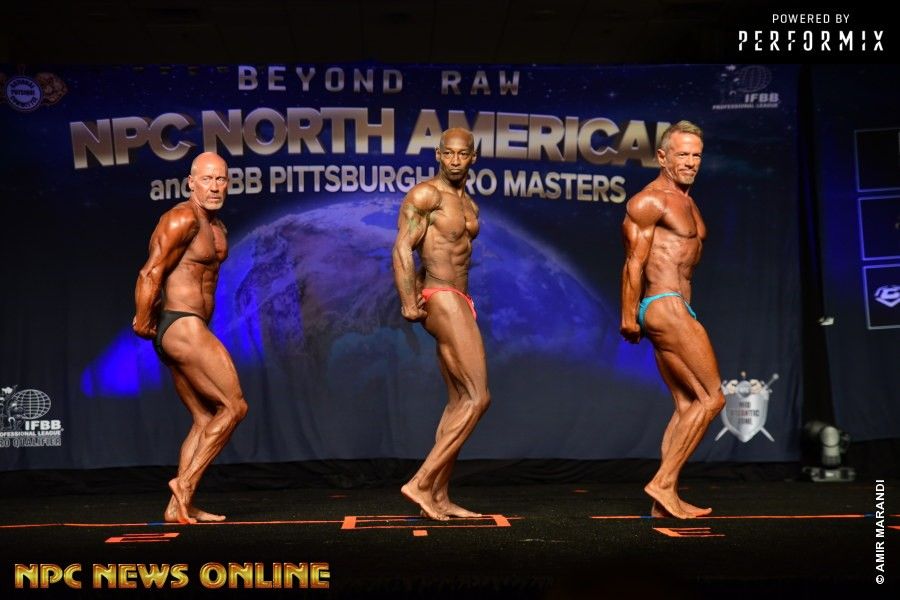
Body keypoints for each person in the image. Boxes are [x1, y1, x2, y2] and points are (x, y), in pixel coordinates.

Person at [133, 152, 248, 524]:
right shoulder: (181, 218)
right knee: (234, 407)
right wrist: (143, 318)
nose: (215, 187)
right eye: (207, 179)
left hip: (191, 326)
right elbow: (151, 271)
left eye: (221, 179)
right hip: (181, 323)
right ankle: (183, 485)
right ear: (191, 182)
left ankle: (176, 507)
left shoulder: (217, 226)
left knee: (203, 418)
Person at [619, 121, 725, 519]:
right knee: (712, 397)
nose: (691, 162)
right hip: (665, 303)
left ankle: (665, 500)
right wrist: (628, 315)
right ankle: (662, 482)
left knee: (686, 404)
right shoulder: (650, 201)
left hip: (678, 305)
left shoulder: (688, 202)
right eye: (682, 154)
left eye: (696, 155)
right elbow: (634, 262)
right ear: (662, 157)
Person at [391, 128, 490, 521]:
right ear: (437, 154)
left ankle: (439, 496)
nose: (454, 160)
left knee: (459, 402)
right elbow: (403, 247)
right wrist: (408, 301)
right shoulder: (426, 195)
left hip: (460, 298)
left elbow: (456, 252)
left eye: (462, 154)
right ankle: (421, 483)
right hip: (442, 296)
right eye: (448, 153)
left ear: (473, 158)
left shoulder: (469, 204)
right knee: (478, 397)